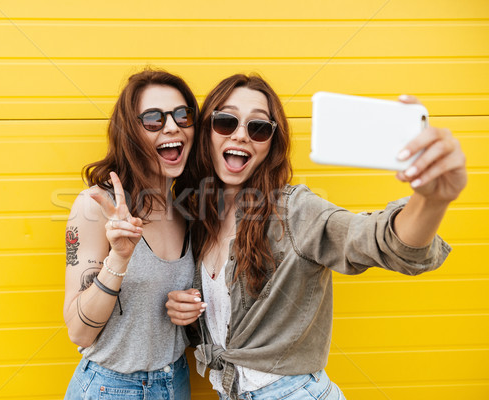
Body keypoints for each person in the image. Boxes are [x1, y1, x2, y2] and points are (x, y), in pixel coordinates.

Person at [165, 74, 467, 400]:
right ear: (207, 131)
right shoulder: (199, 218)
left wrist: (432, 200)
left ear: (271, 144)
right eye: (226, 121)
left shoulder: (294, 210)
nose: (241, 135)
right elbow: (222, 326)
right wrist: (183, 312)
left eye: (259, 127)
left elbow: (377, 241)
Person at [63, 69, 202, 400]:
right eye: (153, 119)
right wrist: (120, 256)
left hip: (176, 381)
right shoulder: (96, 206)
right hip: (111, 387)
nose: (172, 126)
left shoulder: (191, 209)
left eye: (182, 115)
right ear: (130, 134)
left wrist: (192, 310)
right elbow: (79, 332)